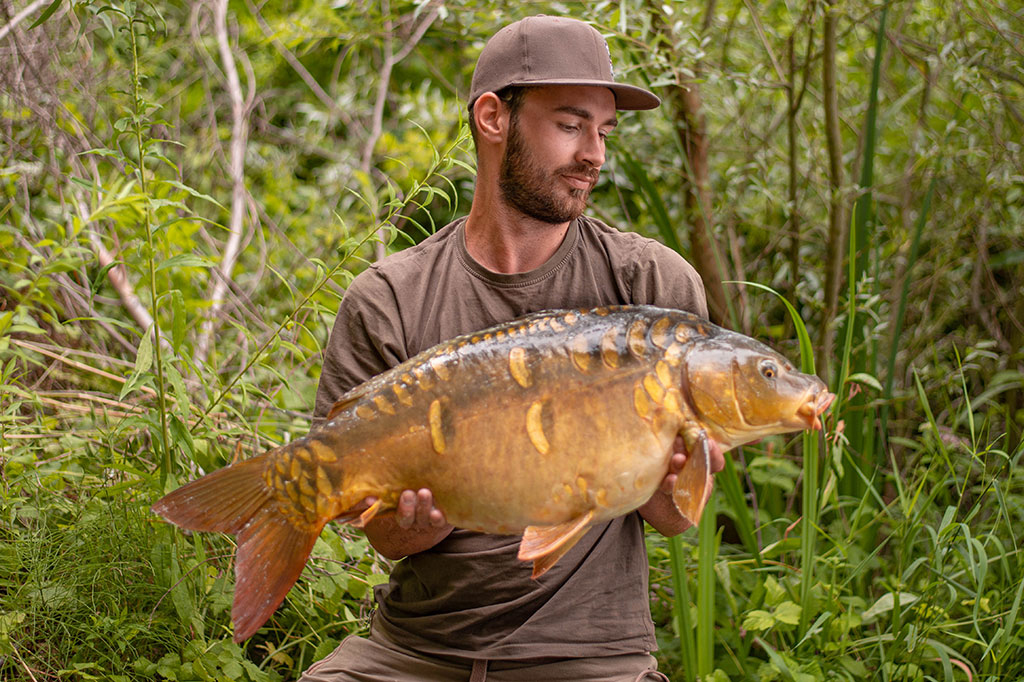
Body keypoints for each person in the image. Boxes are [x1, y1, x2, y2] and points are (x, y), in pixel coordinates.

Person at [301, 15, 720, 682]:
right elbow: (387, 537)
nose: (595, 154)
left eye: (605, 131)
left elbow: (672, 520)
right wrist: (428, 512)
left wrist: (670, 476)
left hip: (589, 659)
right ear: (493, 118)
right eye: (571, 125)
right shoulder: (388, 298)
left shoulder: (651, 287)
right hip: (416, 651)